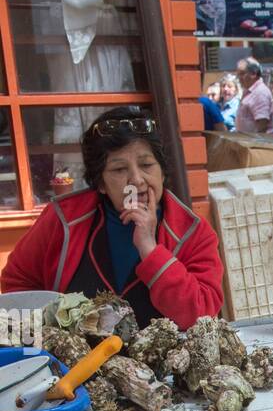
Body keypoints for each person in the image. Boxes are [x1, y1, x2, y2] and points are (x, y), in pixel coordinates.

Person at [1, 105, 224, 331]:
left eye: (147, 165)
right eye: (119, 169)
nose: (137, 179)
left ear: (162, 172)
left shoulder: (193, 232)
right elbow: (18, 284)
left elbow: (202, 316)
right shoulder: (63, 220)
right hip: (75, 364)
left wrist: (149, 248)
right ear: (101, 184)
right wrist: (49, 337)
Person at [235, 59, 273, 134]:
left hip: (256, 143)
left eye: (242, 74)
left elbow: (262, 125)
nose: (238, 78)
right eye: (238, 74)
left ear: (253, 74)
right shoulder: (249, 91)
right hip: (246, 141)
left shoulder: (260, 93)